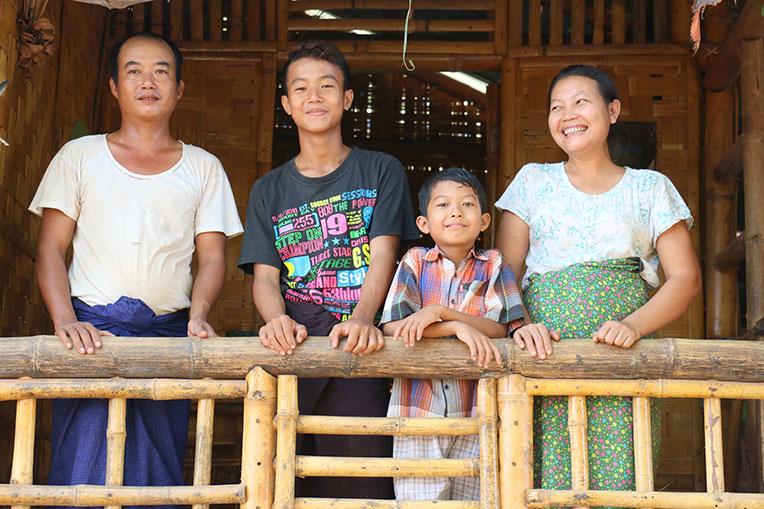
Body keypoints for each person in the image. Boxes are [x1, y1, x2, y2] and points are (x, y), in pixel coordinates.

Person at [29, 32, 242, 505]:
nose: (148, 82)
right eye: (134, 71)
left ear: (180, 88)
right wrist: (66, 321)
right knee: (81, 471)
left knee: (157, 473)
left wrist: (199, 315)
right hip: (89, 337)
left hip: (168, 337)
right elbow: (50, 250)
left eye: (162, 71)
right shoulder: (80, 156)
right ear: (113, 86)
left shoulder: (203, 167)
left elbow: (211, 257)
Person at [496, 64, 701, 502]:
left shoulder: (650, 188)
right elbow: (503, 271)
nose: (567, 114)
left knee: (621, 481)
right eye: (556, 106)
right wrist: (521, 326)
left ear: (612, 111)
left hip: (622, 361)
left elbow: (684, 278)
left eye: (580, 102)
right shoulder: (533, 181)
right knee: (542, 480)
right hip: (544, 357)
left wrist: (634, 326)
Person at [238, 41, 418, 499]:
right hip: (295, 342)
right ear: (286, 104)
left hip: (361, 343)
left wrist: (361, 319)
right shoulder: (268, 189)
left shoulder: (381, 170)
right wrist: (275, 320)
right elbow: (265, 277)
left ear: (348, 98)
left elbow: (384, 255)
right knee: (281, 473)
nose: (313, 97)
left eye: (326, 86)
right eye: (300, 88)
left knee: (356, 472)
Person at [381, 167, 547, 501]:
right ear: (423, 224)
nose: (456, 211)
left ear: (485, 221)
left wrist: (441, 313)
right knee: (420, 502)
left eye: (467, 204)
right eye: (442, 205)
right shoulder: (414, 261)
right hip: (417, 410)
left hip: (478, 408)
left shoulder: (494, 264)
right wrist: (457, 328)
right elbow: (394, 326)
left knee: (474, 500)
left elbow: (500, 326)